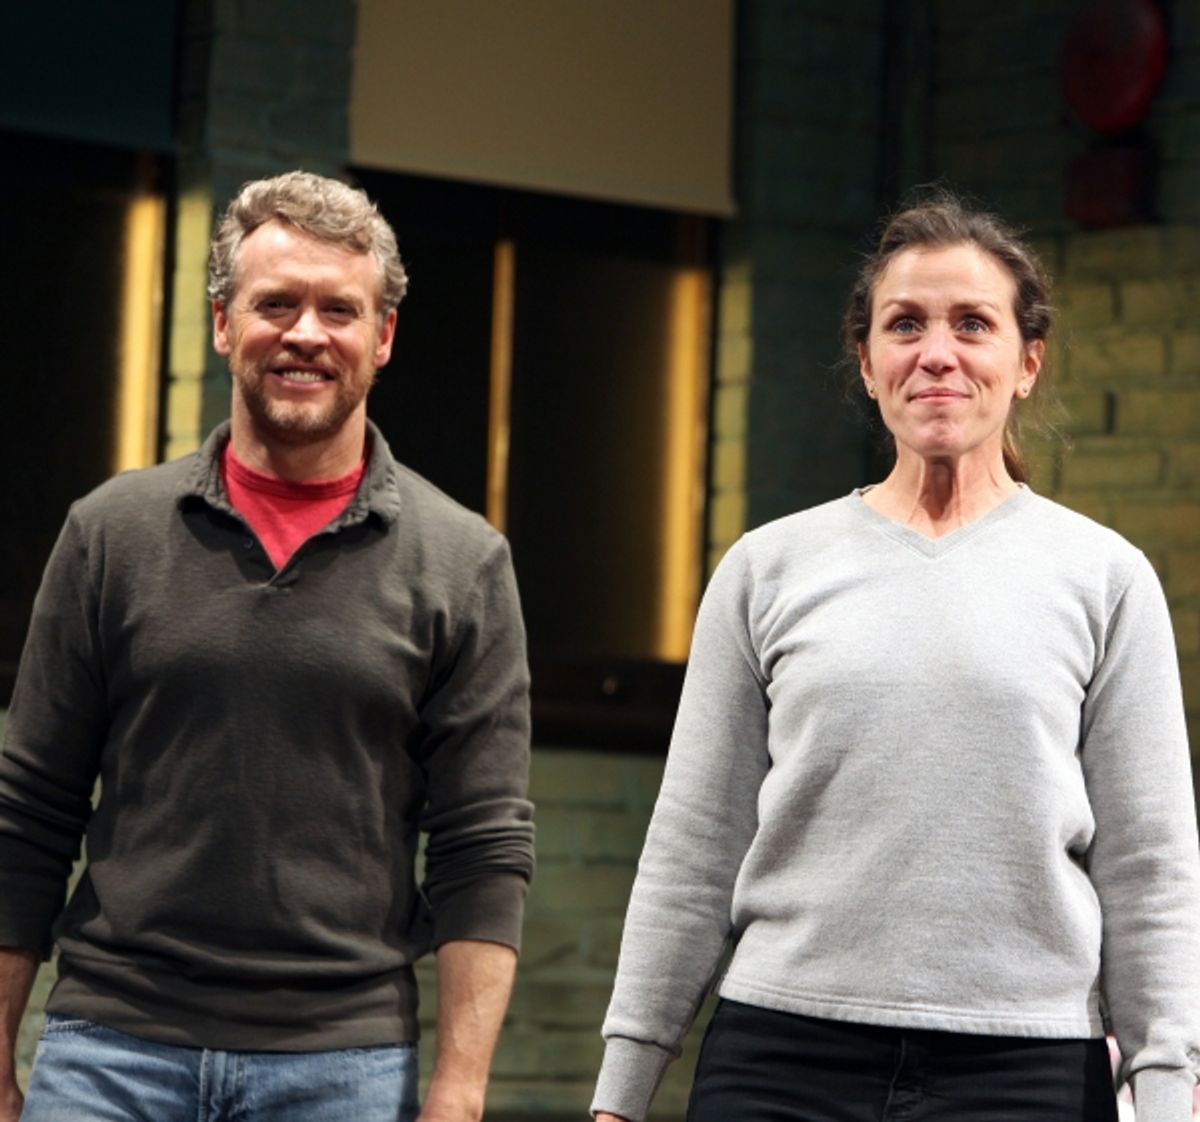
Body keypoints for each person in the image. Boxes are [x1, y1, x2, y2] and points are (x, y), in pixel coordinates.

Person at [592, 193, 1200, 1122]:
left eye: (973, 324)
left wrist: (1164, 1090)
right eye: (905, 324)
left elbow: (1149, 865)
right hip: (783, 1054)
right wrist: (622, 1091)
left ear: (1026, 362)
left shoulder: (1105, 579)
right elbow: (692, 848)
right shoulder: (767, 568)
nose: (937, 353)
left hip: (1023, 1068)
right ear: (869, 364)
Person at [0, 171, 534, 1122]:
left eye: (340, 309)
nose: (305, 334)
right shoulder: (110, 532)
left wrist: (457, 1095)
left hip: (345, 1066)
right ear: (221, 324)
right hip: (110, 1053)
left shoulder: (463, 562)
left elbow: (482, 850)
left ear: (383, 338)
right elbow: (29, 811)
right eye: (274, 304)